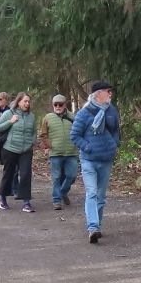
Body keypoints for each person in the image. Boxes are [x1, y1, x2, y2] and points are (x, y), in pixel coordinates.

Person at [71, 80, 121, 244]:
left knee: (101, 196)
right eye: (108, 91)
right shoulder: (84, 113)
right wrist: (88, 147)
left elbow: (116, 131)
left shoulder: (112, 111)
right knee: (91, 193)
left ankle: (97, 225)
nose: (110, 94)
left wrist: (113, 145)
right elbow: (74, 136)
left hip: (106, 160)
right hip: (89, 160)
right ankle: (93, 227)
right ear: (98, 94)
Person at [0, 92, 39, 213]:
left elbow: (34, 131)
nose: (27, 104)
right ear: (18, 102)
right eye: (25, 101)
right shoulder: (9, 113)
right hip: (10, 148)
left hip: (26, 150)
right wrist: (10, 122)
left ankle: (26, 202)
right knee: (8, 173)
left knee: (25, 174)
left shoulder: (31, 116)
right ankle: (2, 197)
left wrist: (32, 141)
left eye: (28, 101)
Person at [42, 94, 80, 210]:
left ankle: (63, 192)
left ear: (65, 105)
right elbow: (43, 134)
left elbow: (79, 131)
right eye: (55, 104)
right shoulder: (48, 117)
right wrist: (48, 146)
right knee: (56, 177)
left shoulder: (73, 117)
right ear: (52, 105)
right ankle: (56, 200)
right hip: (55, 153)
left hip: (71, 152)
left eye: (60, 104)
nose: (58, 106)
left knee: (72, 176)